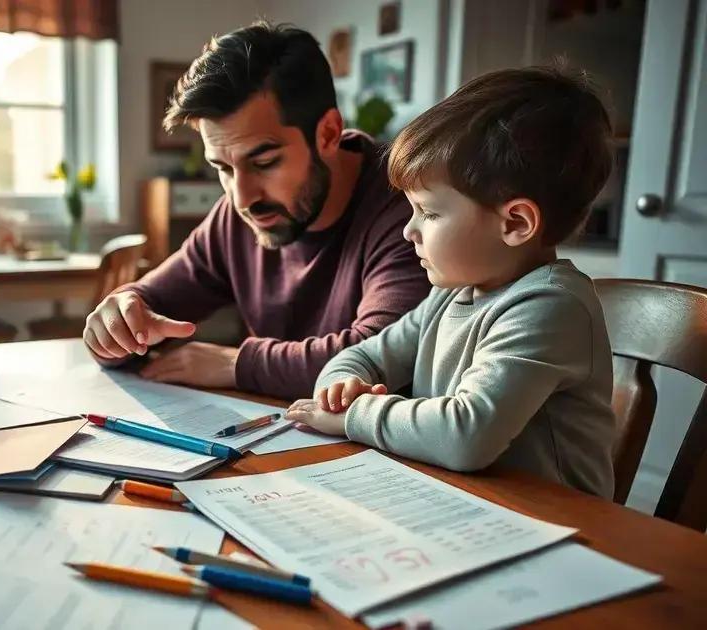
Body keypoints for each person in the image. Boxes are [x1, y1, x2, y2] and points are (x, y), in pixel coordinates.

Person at [287, 65, 617, 498]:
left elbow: (465, 436)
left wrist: (355, 415)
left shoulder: (551, 306)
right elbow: (363, 357)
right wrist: (339, 389)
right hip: (465, 503)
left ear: (515, 222)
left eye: (430, 212)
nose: (409, 230)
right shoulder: (449, 296)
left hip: (563, 528)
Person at [83, 21, 430, 399]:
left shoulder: (409, 204)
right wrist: (118, 320)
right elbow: (151, 303)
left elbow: (380, 357)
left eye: (264, 162)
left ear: (328, 133)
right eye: (223, 168)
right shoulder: (235, 216)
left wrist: (236, 365)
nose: (241, 197)